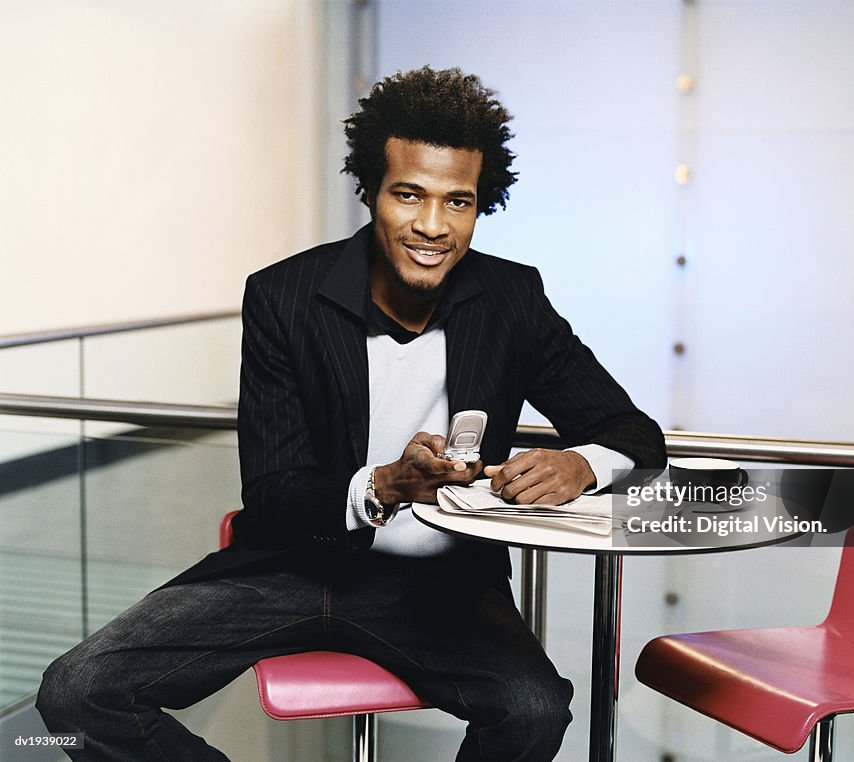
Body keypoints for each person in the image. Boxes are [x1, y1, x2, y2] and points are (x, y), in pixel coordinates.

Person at [37, 66, 666, 761]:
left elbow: (634, 435)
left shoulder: (512, 300)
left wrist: (580, 463)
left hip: (441, 586)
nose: (433, 226)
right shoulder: (284, 296)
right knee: (75, 695)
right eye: (409, 195)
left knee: (535, 711)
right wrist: (385, 485)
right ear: (370, 191)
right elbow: (274, 494)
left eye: (458, 202)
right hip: (288, 568)